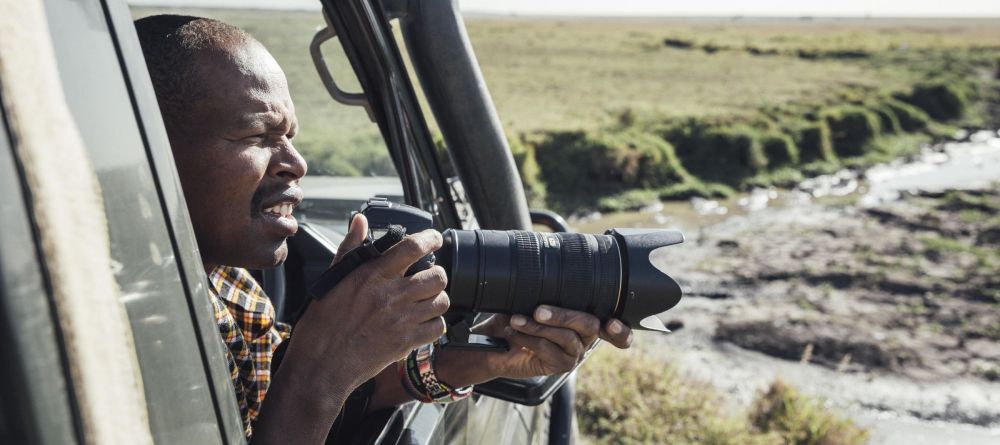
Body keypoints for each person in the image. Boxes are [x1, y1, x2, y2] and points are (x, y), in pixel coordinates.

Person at [134, 14, 633, 444]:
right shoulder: (135, 342)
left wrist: (481, 359)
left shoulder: (221, 281)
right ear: (144, 149)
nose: (296, 163)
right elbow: (295, 398)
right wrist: (317, 365)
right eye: (259, 135)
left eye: (289, 136)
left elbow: (273, 403)